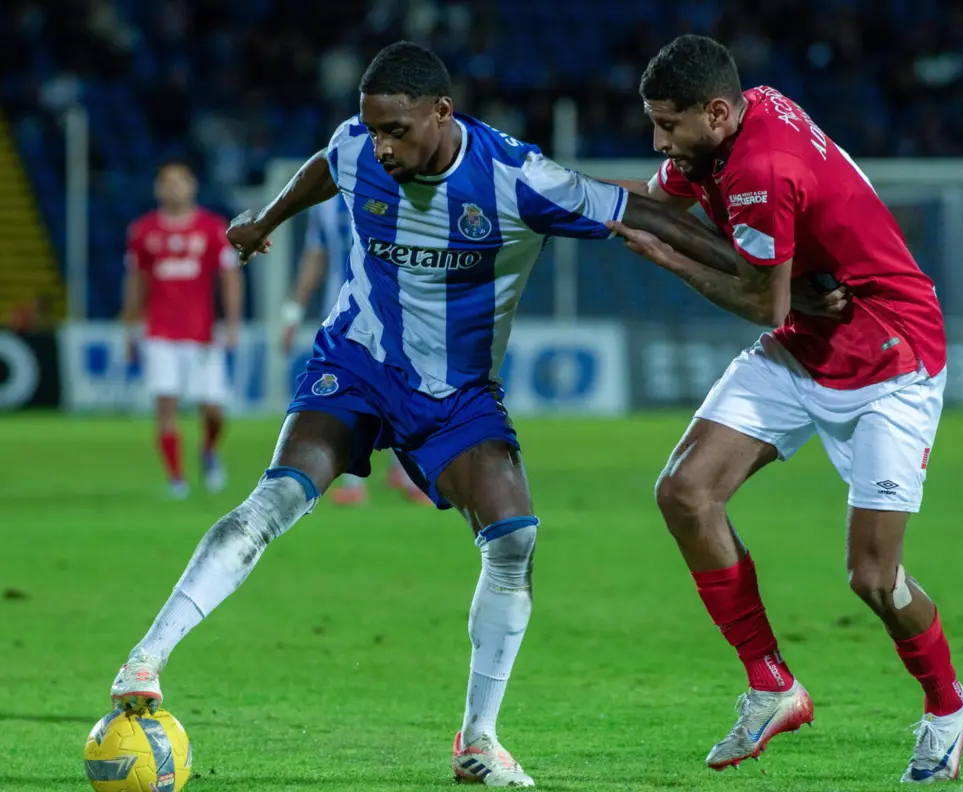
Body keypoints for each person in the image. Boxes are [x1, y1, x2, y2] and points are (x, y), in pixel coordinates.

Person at [107, 41, 737, 787]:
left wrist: (752, 268)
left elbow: (637, 209)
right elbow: (325, 164)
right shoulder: (358, 149)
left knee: (513, 541)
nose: (382, 146)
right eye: (373, 129)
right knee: (276, 496)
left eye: (397, 130)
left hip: (457, 394)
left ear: (442, 113)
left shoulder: (517, 178)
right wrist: (263, 220)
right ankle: (144, 661)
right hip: (357, 362)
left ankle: (477, 741)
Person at [607, 34, 963, 782]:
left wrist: (667, 255)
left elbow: (756, 299)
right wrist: (561, 198)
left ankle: (948, 705)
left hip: (890, 356)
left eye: (669, 124)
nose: (660, 141)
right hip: (806, 339)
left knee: (874, 579)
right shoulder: (738, 123)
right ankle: (771, 684)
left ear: (716, 112)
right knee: (685, 491)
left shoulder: (760, 170)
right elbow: (660, 204)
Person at [280, 192, 431, 506]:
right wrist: (294, 310)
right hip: (345, 313)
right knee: (349, 393)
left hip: (397, 310)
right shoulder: (325, 203)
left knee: (404, 388)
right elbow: (316, 254)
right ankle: (352, 479)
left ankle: (404, 472)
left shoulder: (403, 191)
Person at [121, 159, 244, 499]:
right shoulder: (143, 231)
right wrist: (129, 330)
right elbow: (135, 283)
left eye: (181, 181)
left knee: (214, 409)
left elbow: (230, 278)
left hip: (202, 333)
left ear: (193, 185)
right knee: (166, 402)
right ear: (158, 189)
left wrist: (232, 324)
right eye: (167, 182)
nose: (174, 187)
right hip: (159, 332)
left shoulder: (212, 227)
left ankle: (209, 451)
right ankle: (176, 478)